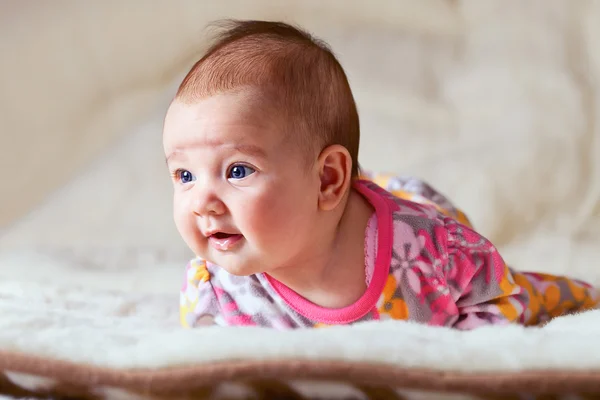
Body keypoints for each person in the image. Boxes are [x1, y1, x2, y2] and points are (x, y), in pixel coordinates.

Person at [162, 19, 599, 330]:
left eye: (238, 170)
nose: (202, 201)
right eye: (184, 176)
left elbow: (503, 295)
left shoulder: (431, 251)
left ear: (327, 180)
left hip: (405, 213)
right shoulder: (214, 291)